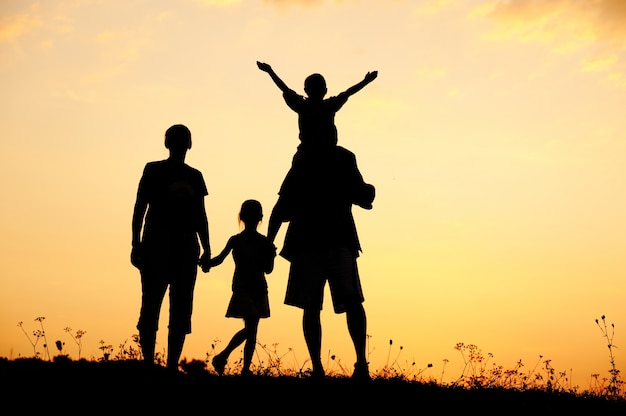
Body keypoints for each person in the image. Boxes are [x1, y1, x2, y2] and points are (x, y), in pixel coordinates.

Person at [266, 129, 376, 382]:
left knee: (317, 305)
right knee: (336, 302)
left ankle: (330, 367)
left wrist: (269, 243)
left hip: (318, 241)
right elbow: (363, 195)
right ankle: (350, 364)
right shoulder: (328, 160)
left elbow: (281, 207)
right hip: (326, 241)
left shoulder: (314, 161)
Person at [130, 124, 211, 371]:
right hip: (162, 242)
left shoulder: (192, 175)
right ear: (188, 144)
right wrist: (136, 243)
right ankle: (161, 364)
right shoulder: (155, 170)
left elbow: (200, 215)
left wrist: (206, 248)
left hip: (179, 244)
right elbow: (140, 207)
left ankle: (163, 365)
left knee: (169, 306)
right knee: (160, 305)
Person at [256, 61, 377, 208]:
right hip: (308, 152)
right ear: (309, 90)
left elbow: (348, 93)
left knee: (349, 157)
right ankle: (276, 220)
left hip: (328, 151)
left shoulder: (324, 105)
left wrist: (365, 81)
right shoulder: (306, 105)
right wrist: (270, 72)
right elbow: (285, 89)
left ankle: (360, 193)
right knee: (287, 192)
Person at [205, 200, 276, 376]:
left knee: (252, 329)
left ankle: (241, 366)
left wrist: (207, 263)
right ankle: (226, 358)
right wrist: (206, 262)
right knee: (251, 328)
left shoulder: (247, 241)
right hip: (245, 287)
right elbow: (268, 269)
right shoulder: (247, 241)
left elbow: (267, 269)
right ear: (260, 218)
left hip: (255, 287)